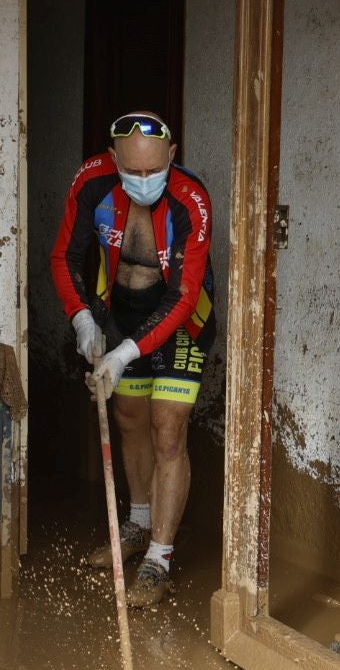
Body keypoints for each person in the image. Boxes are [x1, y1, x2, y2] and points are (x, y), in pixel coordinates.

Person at [49, 110, 217, 607]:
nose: (143, 181)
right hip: (119, 313)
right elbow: (64, 257)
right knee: (128, 418)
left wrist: (126, 353)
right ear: (113, 159)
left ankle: (158, 559)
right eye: (132, 172)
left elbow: (185, 295)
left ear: (172, 155)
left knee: (169, 429)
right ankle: (138, 525)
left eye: (153, 171)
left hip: (182, 321)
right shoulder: (93, 182)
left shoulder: (192, 200)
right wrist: (82, 318)